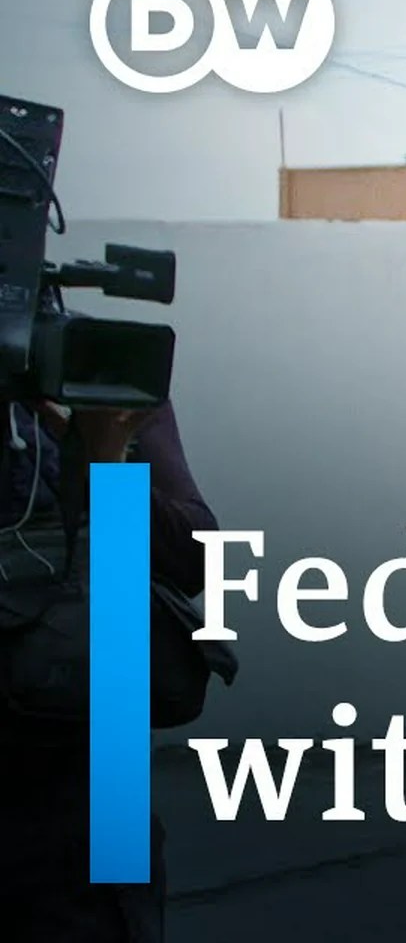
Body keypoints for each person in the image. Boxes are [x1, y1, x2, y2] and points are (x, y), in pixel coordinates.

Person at [0, 400, 218, 942]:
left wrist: (105, 460)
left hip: (104, 759)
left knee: (110, 907)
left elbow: (196, 558)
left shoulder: (107, 379)